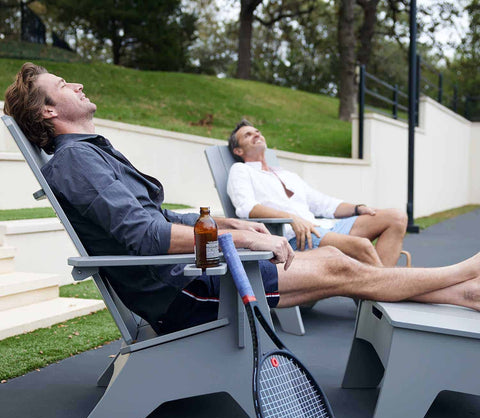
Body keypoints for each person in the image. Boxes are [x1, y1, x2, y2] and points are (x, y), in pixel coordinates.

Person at [5, 63, 480, 336]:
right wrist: (244, 240)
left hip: (189, 275)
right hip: (184, 290)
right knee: (339, 265)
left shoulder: (88, 155)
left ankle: (463, 293)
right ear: (49, 109)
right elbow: (145, 235)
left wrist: (233, 228)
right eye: (64, 85)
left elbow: (160, 216)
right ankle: (461, 275)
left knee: (345, 268)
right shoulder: (76, 163)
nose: (78, 85)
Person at [227, 120, 407, 267]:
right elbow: (246, 208)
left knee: (396, 217)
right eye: (248, 135)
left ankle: (379, 291)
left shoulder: (287, 175)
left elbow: (323, 203)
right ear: (238, 150)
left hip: (321, 227)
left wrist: (358, 208)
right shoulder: (241, 170)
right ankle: (388, 288)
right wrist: (291, 218)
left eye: (257, 131)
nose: (256, 135)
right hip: (296, 236)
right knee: (362, 246)